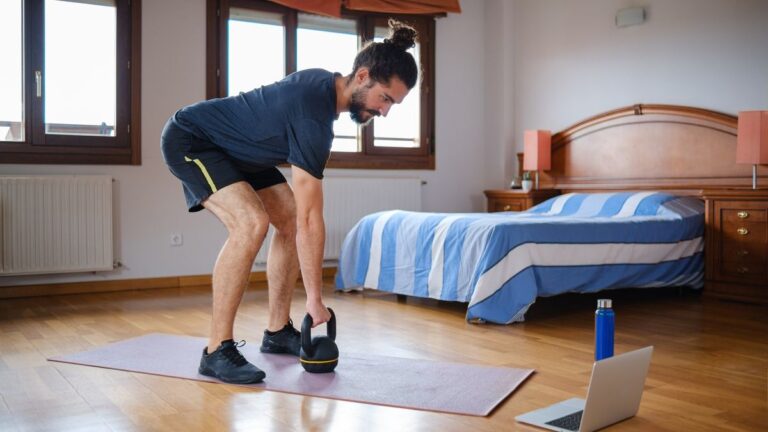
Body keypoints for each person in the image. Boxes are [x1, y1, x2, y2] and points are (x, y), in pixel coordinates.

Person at [160, 20, 419, 384]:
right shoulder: (313, 113)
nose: (385, 112)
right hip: (194, 140)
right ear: (362, 76)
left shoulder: (323, 91)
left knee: (291, 220)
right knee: (251, 223)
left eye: (394, 104)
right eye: (386, 99)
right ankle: (216, 350)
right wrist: (315, 300)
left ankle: (278, 330)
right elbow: (315, 217)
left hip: (243, 155)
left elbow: (303, 221)